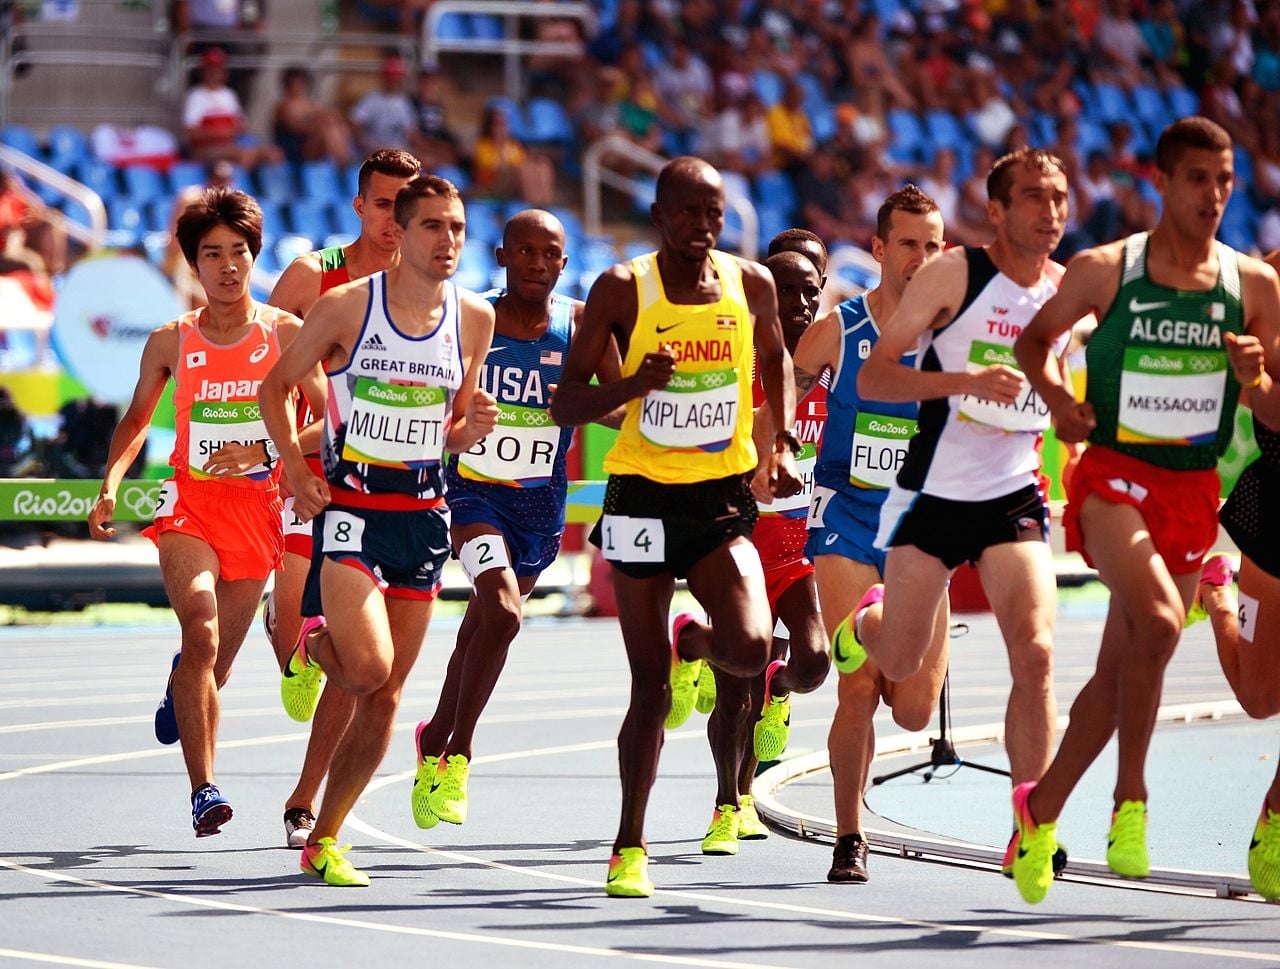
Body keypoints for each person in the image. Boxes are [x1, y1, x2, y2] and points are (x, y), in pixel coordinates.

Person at [1009, 116, 1280, 904]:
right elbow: (1034, 343)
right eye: (1198, 178)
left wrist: (1256, 376)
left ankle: (1040, 809)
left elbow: (1275, 410)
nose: (1214, 194)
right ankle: (1133, 801)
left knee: (1113, 679)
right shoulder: (1106, 268)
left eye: (1226, 180)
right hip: (1114, 478)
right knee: (1162, 621)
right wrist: (1060, 400)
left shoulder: (1253, 287)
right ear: (1162, 181)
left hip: (1191, 490)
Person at [550, 156, 801, 898]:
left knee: (752, 648)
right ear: (659, 214)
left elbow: (777, 357)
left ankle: (695, 639)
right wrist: (633, 385)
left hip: (722, 497)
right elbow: (566, 402)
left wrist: (780, 442)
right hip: (640, 502)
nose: (702, 226)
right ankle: (631, 844)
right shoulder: (623, 288)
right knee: (650, 692)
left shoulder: (749, 283)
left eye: (713, 213)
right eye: (688, 212)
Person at [258, 175, 498, 887]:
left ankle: (326, 836)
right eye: (432, 226)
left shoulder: (474, 318)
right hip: (354, 510)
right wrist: (298, 473)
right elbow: (275, 388)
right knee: (366, 670)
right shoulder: (344, 307)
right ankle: (316, 641)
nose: (446, 241)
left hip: (424, 516)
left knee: (388, 693)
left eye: (456, 228)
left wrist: (469, 431)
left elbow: (450, 431)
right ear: (399, 230)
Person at [851, 149, 1077, 876]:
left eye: (1060, 198)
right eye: (1034, 198)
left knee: (1037, 652)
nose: (1050, 212)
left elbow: (1067, 393)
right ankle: (866, 619)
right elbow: (876, 374)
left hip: (1014, 492)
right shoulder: (955, 275)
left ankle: (1031, 823)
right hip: (932, 492)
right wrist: (966, 379)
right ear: (998, 211)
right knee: (900, 661)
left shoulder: (1069, 292)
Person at [88, 188, 323, 836]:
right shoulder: (172, 339)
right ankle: (203, 790)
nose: (227, 265)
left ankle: (180, 684)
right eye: (212, 254)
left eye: (238, 252)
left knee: (211, 667)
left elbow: (333, 416)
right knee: (202, 626)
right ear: (194, 264)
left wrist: (269, 445)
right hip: (189, 501)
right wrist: (110, 481)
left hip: (256, 508)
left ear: (254, 256)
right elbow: (136, 421)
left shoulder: (284, 332)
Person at [410, 210, 623, 829]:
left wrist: (645, 404)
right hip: (472, 495)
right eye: (523, 251)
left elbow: (608, 404)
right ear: (502, 257)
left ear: (563, 262)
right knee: (503, 610)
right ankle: (457, 753)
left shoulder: (581, 322)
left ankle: (435, 733)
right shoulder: (471, 317)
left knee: (485, 625)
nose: (536, 262)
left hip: (538, 504)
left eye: (548, 253)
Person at [787, 187, 953, 883]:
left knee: (914, 711)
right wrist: (770, 450)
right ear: (879, 248)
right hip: (847, 519)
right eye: (909, 243)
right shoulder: (839, 330)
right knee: (857, 691)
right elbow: (782, 396)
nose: (921, 258)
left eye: (933, 245)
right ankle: (849, 837)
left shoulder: (955, 336)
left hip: (921, 530)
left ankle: (869, 628)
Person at [265, 147, 420, 849]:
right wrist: (278, 454)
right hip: (307, 476)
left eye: (405, 206)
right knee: (296, 630)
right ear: (360, 206)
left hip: (390, 491)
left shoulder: (429, 291)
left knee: (366, 667)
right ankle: (294, 635)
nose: (394, 219)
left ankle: (305, 799)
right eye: (383, 204)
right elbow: (255, 365)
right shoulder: (313, 277)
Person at [684, 248, 830, 858]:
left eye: (810, 291)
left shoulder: (835, 366)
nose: (799, 304)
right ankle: (727, 804)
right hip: (734, 543)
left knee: (815, 662)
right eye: (786, 291)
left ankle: (780, 682)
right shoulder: (738, 362)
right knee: (734, 688)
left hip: (798, 548)